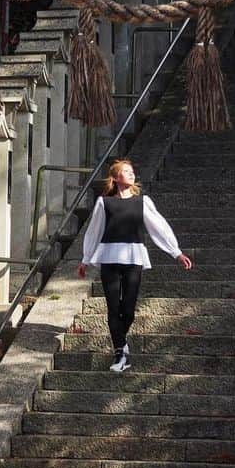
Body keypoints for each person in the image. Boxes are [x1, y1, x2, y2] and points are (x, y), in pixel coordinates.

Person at [77, 158, 192, 373]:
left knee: (128, 310)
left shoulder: (143, 202)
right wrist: (85, 259)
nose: (131, 174)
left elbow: (159, 227)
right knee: (113, 307)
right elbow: (94, 231)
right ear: (116, 177)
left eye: (132, 172)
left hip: (134, 257)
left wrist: (176, 252)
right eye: (126, 172)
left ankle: (121, 346)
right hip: (109, 257)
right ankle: (120, 351)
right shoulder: (104, 203)